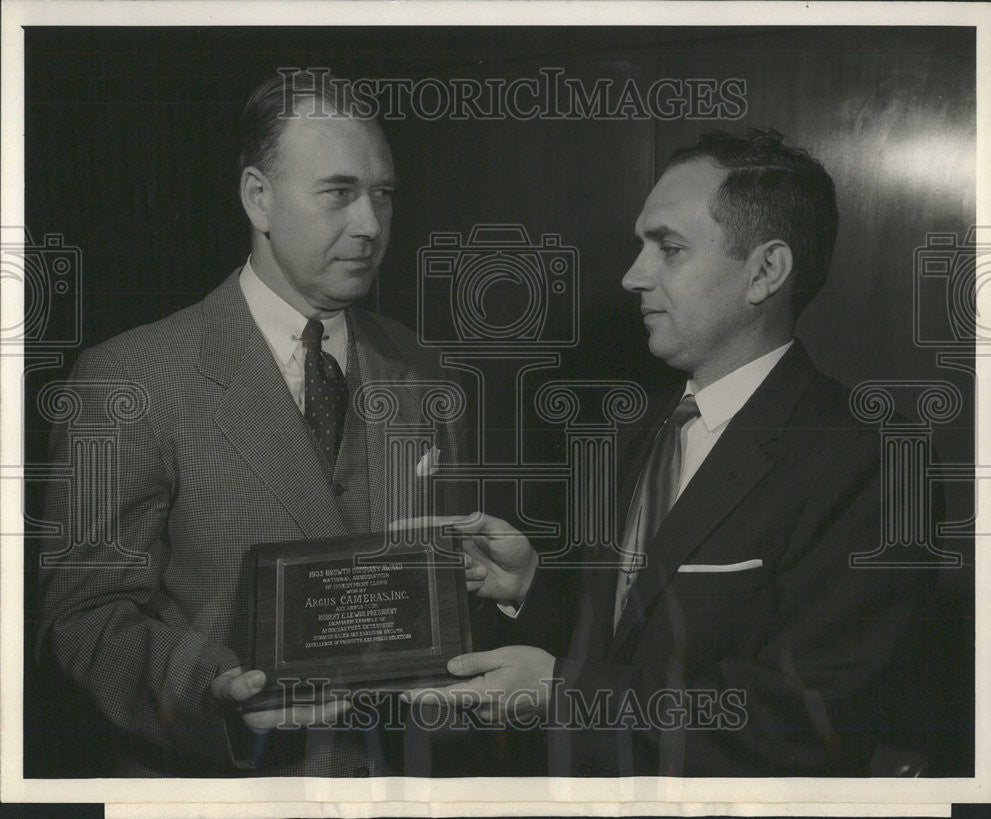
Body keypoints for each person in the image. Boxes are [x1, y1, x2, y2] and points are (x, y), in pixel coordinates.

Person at [406, 129, 938, 777]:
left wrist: (561, 696)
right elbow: (630, 637)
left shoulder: (872, 455)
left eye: (669, 248)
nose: (633, 275)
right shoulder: (636, 431)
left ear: (765, 271)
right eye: (642, 246)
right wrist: (529, 584)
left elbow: (807, 719)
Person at [36, 75, 467, 777]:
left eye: (383, 194)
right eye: (338, 192)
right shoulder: (130, 377)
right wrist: (216, 688)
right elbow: (86, 621)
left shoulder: (422, 368)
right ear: (257, 198)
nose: (369, 225)